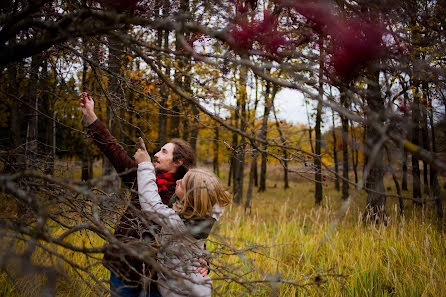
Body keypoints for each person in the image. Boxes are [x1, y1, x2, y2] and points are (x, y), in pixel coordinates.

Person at [79, 93, 201, 297]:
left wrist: (204, 260)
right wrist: (91, 116)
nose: (156, 154)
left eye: (164, 152)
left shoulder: (185, 191)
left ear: (178, 162)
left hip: (160, 273)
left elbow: (196, 231)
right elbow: (113, 150)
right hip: (125, 263)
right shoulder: (143, 176)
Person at [134, 138, 232, 297]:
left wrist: (145, 165)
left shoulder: (179, 223)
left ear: (190, 196)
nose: (177, 181)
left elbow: (151, 205)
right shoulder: (202, 213)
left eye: (182, 184)